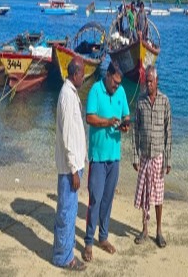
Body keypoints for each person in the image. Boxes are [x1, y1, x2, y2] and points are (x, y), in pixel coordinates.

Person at [82, 61, 130, 262]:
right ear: (108, 76)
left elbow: (126, 114)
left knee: (108, 199)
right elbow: (90, 118)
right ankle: (88, 243)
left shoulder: (121, 93)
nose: (117, 86)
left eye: (119, 83)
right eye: (115, 82)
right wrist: (108, 122)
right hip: (98, 157)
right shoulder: (95, 90)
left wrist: (125, 125)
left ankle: (103, 237)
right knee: (95, 199)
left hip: (114, 156)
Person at [53, 56, 87, 271]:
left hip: (73, 165)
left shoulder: (71, 93)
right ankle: (64, 258)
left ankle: (66, 250)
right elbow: (66, 137)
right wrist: (74, 169)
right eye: (83, 73)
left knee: (70, 210)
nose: (84, 77)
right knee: (66, 212)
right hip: (69, 168)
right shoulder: (66, 96)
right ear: (75, 74)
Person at [132, 65, 172, 248]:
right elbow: (135, 130)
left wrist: (168, 160)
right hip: (144, 157)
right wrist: (134, 155)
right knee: (145, 195)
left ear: (157, 81)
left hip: (158, 156)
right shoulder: (140, 102)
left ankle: (159, 231)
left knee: (158, 196)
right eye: (146, 80)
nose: (148, 84)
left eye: (151, 81)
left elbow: (168, 132)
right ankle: (144, 229)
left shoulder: (165, 101)